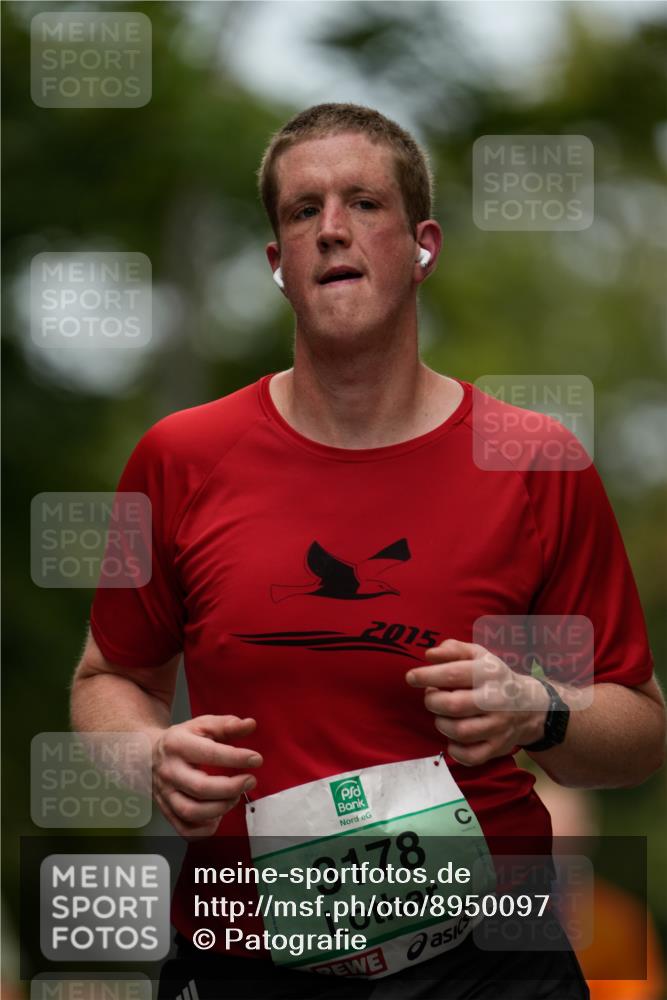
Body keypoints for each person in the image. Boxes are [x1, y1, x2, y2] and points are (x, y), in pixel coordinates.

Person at [71, 103, 665, 999]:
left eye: (363, 203)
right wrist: (146, 755)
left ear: (423, 244)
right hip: (244, 958)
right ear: (277, 264)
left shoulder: (535, 460)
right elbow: (107, 679)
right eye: (302, 211)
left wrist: (538, 709)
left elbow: (640, 730)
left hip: (487, 965)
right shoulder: (177, 456)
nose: (331, 230)